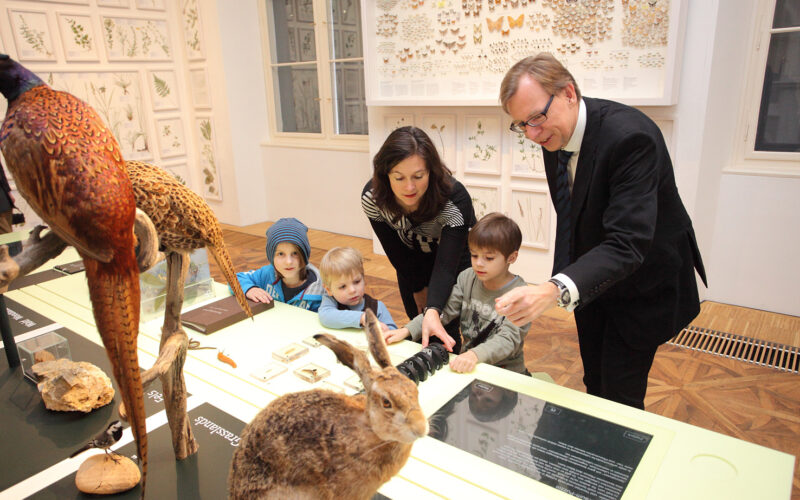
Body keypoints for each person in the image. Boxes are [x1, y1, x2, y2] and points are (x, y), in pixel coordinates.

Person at [495, 54, 707, 409]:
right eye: (521, 125)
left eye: (536, 118)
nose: (532, 134)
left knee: (621, 396)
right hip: (593, 280)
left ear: (569, 93)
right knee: (595, 381)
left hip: (645, 283)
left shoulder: (631, 138)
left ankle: (624, 463)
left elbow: (628, 243)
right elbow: (571, 216)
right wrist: (563, 282)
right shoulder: (554, 134)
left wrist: (553, 289)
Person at [362, 126, 476, 354]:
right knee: (417, 321)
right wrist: (417, 287)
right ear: (385, 175)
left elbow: (446, 265)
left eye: (418, 176)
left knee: (446, 326)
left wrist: (434, 305)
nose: (409, 187)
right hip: (410, 260)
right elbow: (396, 252)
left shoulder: (455, 199)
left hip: (451, 259)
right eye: (399, 177)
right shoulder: (373, 199)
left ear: (431, 172)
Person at [386, 213, 530, 374]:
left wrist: (474, 355)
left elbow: (509, 339)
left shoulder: (521, 294)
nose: (479, 263)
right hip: (469, 364)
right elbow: (442, 312)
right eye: (474, 255)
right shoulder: (467, 277)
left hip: (506, 372)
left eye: (489, 258)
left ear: (511, 257)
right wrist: (407, 330)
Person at [235, 217, 324, 312]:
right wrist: (249, 289)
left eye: (295, 253)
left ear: (304, 255)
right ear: (271, 257)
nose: (288, 261)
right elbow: (236, 279)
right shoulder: (267, 274)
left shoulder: (320, 290)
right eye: (281, 254)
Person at [318, 246, 397, 331]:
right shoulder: (330, 300)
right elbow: (326, 316)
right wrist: (362, 318)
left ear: (363, 278)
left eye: (356, 282)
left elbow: (393, 331)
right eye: (343, 286)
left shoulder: (377, 307)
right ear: (329, 290)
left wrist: (386, 331)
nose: (352, 290)